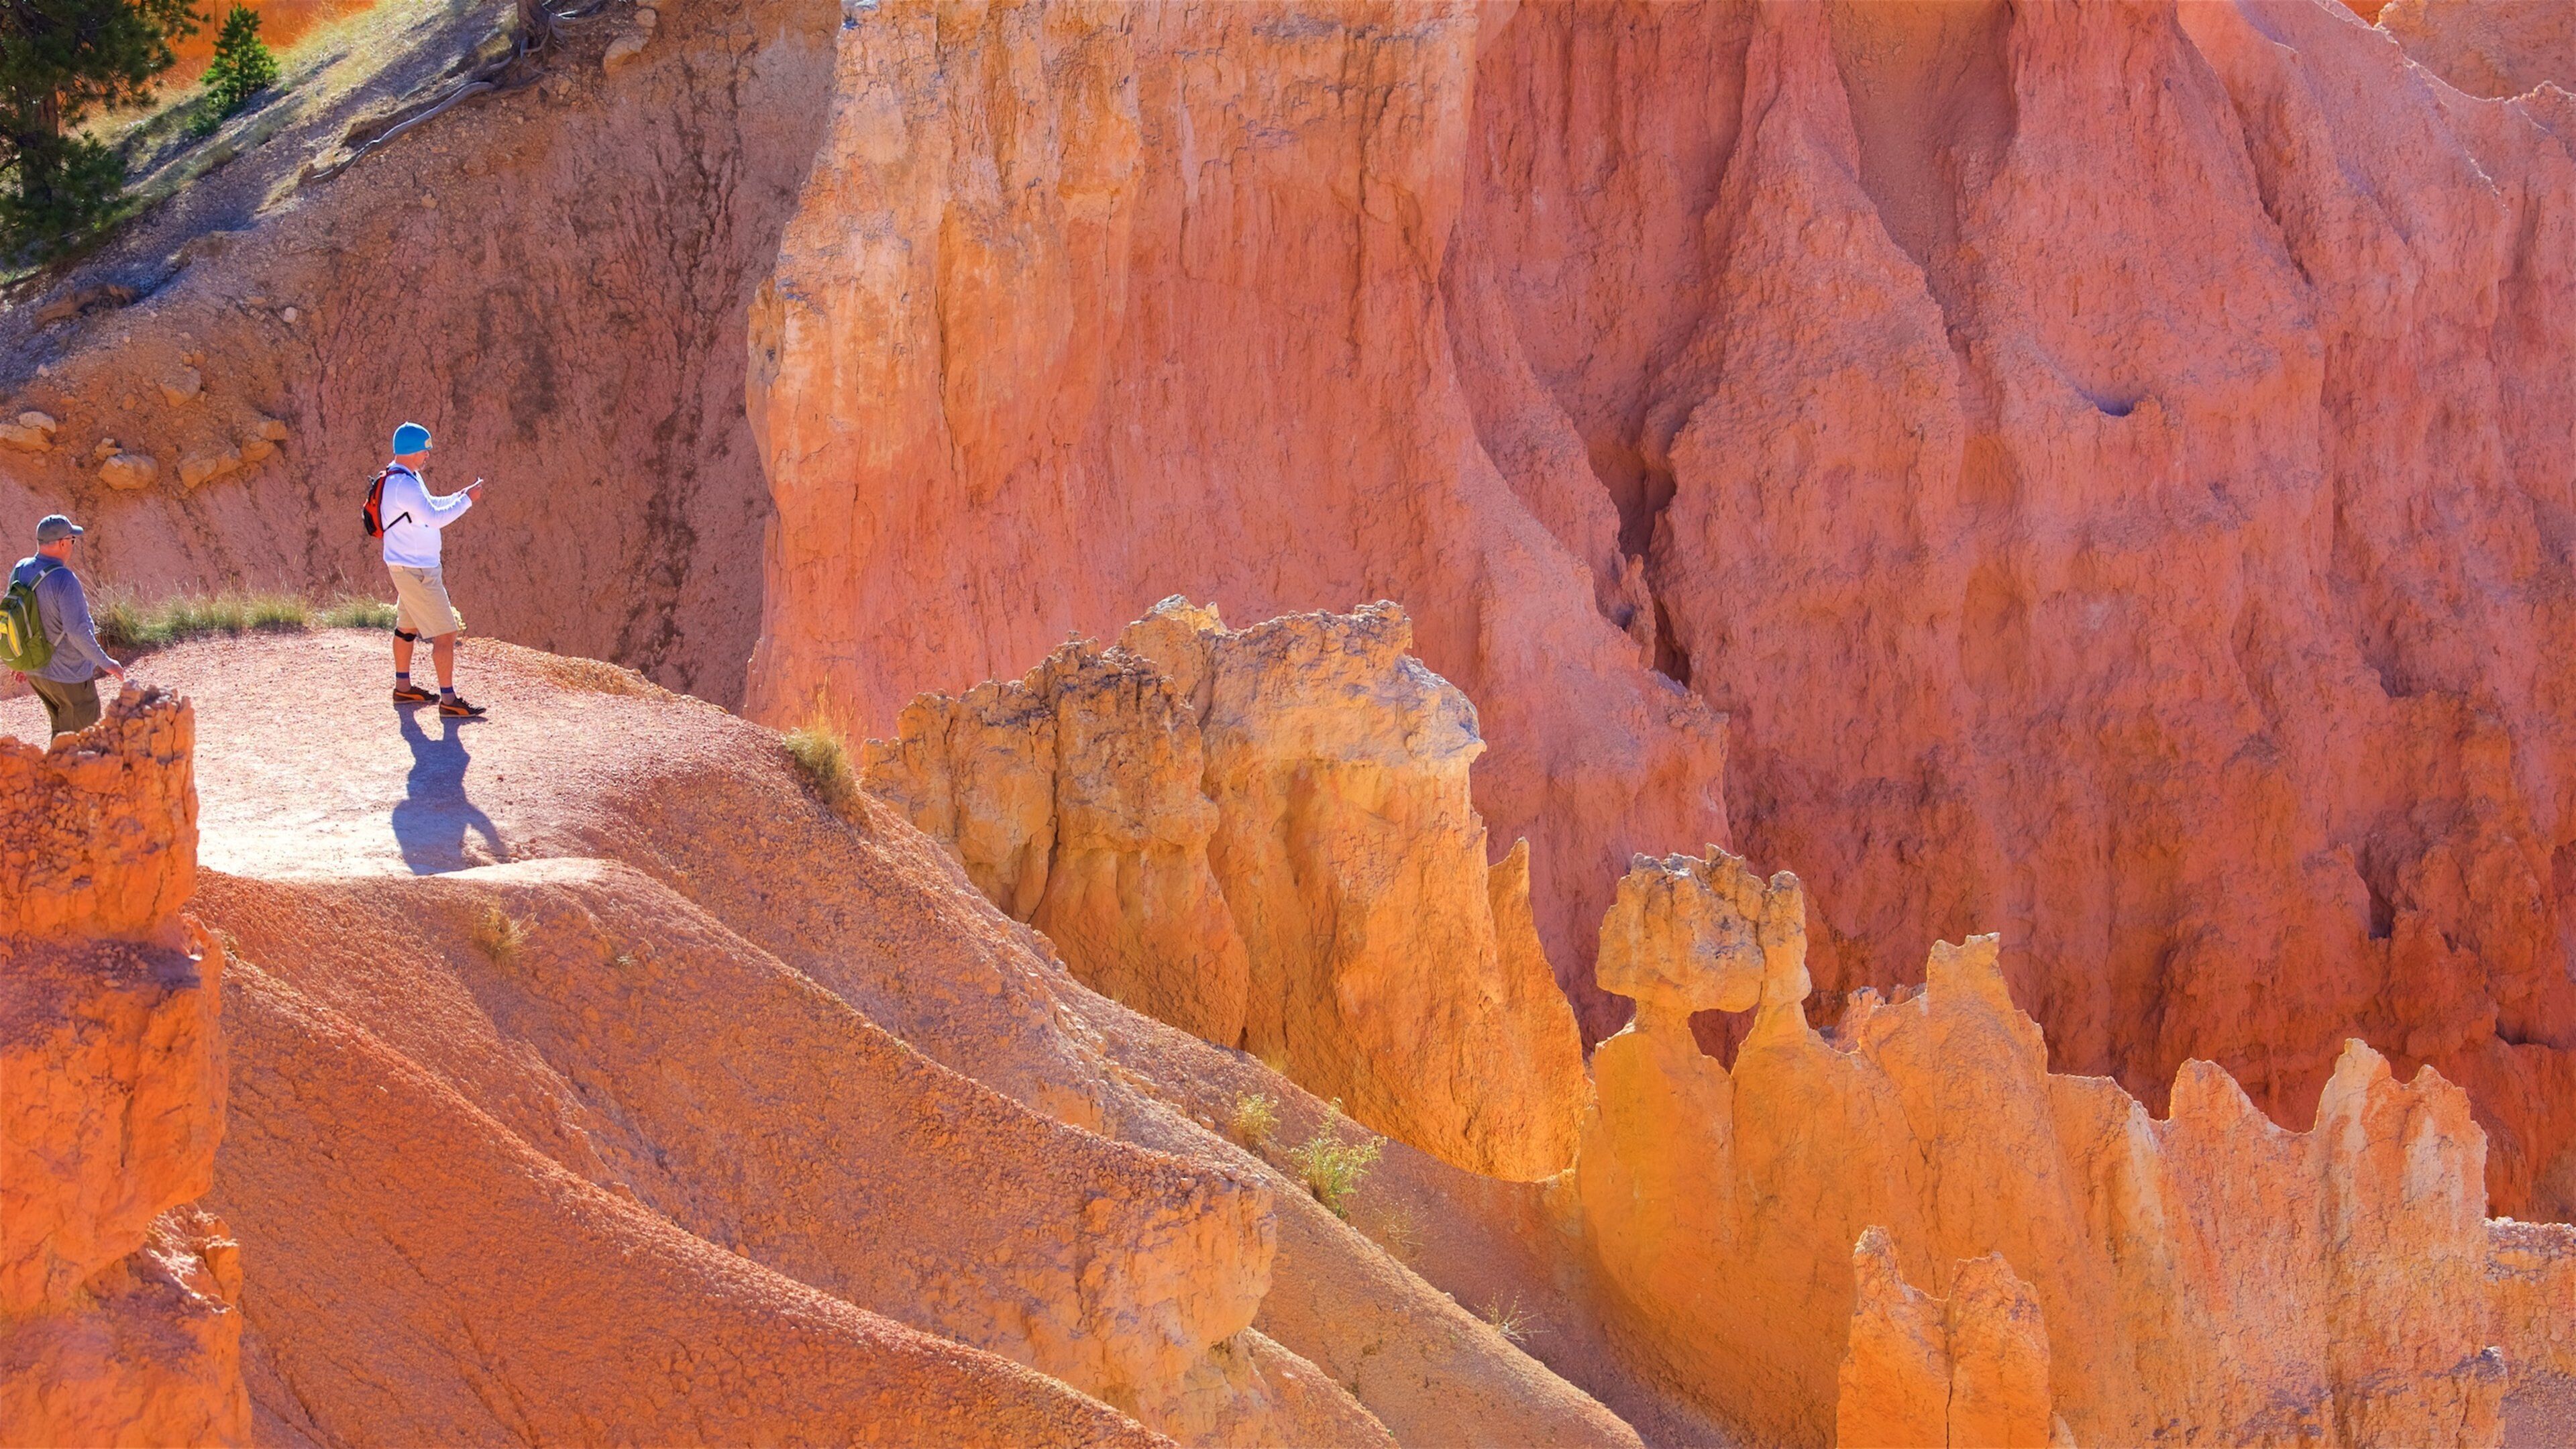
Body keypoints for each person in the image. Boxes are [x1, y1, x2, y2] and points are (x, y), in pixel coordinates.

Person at [378, 422, 488, 718]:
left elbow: (429, 507)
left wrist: (458, 495)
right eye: (425, 450)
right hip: (419, 572)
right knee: (446, 634)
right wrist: (467, 501)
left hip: (408, 568)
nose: (428, 456)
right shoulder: (405, 484)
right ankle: (449, 702)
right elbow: (436, 518)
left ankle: (404, 689)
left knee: (407, 628)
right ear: (413, 451)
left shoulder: (402, 477)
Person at [8, 514, 127, 743]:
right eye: (73, 540)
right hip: (68, 675)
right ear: (63, 543)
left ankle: (54, 776)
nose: (73, 545)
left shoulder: (21, 569)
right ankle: (75, 778)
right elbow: (76, 631)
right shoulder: (64, 579)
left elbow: (14, 618)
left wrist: (21, 660)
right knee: (83, 740)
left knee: (62, 734)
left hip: (37, 672)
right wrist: (107, 663)